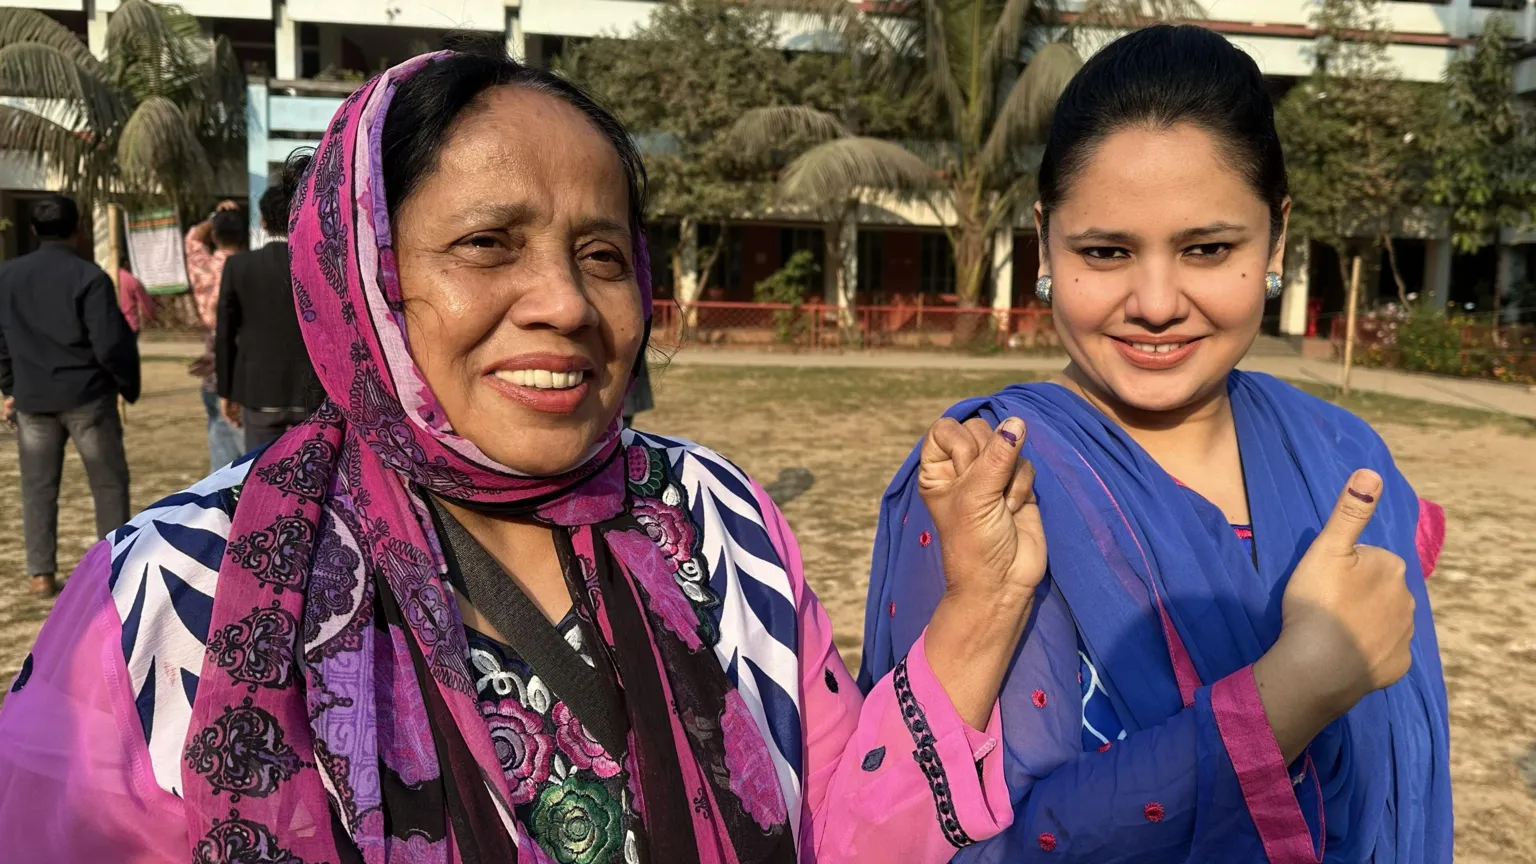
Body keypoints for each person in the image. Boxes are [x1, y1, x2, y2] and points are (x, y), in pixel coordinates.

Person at [0, 47, 1044, 863]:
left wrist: (982, 606)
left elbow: (841, 833)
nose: (564, 304)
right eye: (487, 244)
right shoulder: (174, 592)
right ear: (359, 265)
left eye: (600, 255)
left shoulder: (716, 520)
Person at [861, 26, 1453, 864]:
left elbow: (1401, 785)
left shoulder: (1341, 460)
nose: (1157, 302)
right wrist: (1287, 695)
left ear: (1276, 239)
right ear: (1044, 242)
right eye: (1105, 252)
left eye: (1209, 249)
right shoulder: (989, 484)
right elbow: (967, 840)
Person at [0, 194, 139, 597]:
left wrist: (10, 386)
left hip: (33, 399)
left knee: (38, 487)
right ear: (78, 229)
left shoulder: (7, 276)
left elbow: (1, 343)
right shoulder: (89, 276)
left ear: (32, 230)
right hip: (87, 397)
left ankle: (40, 573)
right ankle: (114, 566)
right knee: (108, 484)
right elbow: (110, 344)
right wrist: (125, 384)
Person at [215, 160, 324, 452]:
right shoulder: (318, 265)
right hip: (311, 392)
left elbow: (224, 334)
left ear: (262, 221)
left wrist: (226, 390)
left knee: (258, 471)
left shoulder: (239, 266)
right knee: (311, 471)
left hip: (259, 391)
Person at [185, 201, 245, 469]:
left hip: (212, 361)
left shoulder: (203, 268)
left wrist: (215, 217)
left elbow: (193, 238)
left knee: (220, 453)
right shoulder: (248, 269)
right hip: (241, 364)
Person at [116, 259, 153, 333]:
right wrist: (150, 315)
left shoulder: (105, 277)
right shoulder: (131, 279)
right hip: (130, 324)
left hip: (110, 324)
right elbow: (144, 302)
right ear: (126, 263)